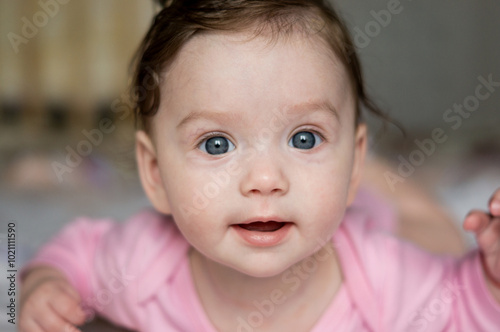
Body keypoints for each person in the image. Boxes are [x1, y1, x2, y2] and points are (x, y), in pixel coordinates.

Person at [18, 1, 500, 331]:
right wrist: (46, 283)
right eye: (216, 144)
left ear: (348, 163)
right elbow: (75, 252)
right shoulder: (140, 265)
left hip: (379, 222)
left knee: (432, 229)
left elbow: (460, 308)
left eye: (304, 137)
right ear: (156, 174)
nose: (265, 180)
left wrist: (490, 282)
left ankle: (378, 176)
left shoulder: (381, 275)